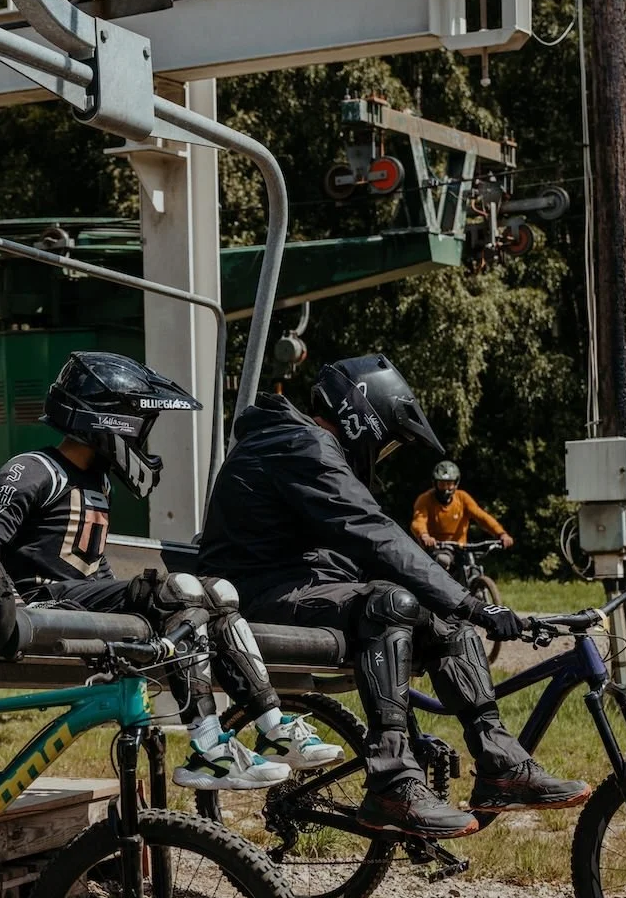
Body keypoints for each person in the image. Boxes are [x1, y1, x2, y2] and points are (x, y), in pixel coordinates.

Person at [197, 354, 590, 837]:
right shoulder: (300, 444)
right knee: (395, 605)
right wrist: (470, 602)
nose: (380, 455)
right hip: (251, 597)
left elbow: (361, 547)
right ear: (360, 419)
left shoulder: (307, 444)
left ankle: (500, 763)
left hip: (300, 587)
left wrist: (453, 604)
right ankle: (392, 782)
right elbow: (373, 533)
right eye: (385, 443)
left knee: (443, 615)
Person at [0, 351, 341, 791]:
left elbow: (90, 561)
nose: (142, 439)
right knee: (180, 589)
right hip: (41, 602)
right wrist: (10, 606)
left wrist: (124, 596)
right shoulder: (35, 470)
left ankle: (273, 727)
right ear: (110, 421)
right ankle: (209, 749)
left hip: (79, 602)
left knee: (219, 593)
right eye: (140, 425)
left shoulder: (99, 481)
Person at [411, 460, 512, 550]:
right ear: (435, 483)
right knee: (443, 560)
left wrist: (501, 533)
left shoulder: (462, 498)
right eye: (442, 484)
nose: (446, 489)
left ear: (456, 484)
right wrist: (424, 536)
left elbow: (482, 517)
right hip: (437, 548)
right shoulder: (425, 499)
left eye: (449, 484)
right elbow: (419, 521)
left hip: (461, 548)